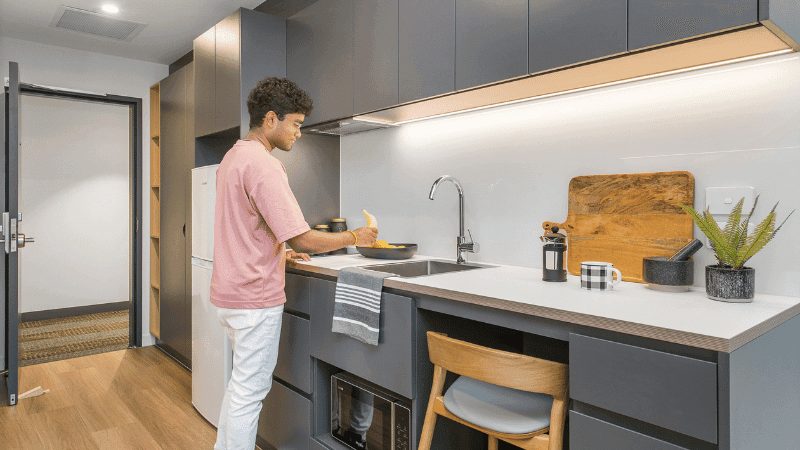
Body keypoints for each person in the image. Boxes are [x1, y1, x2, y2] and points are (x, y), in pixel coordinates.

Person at [211, 77, 378, 450]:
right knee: (248, 394)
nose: (299, 133)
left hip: (230, 295)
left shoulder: (233, 158)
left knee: (240, 388)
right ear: (271, 119)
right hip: (255, 299)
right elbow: (303, 237)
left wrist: (278, 252)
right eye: (296, 124)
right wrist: (356, 237)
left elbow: (244, 228)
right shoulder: (264, 166)